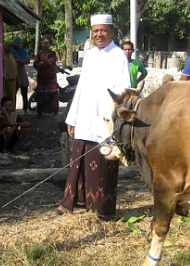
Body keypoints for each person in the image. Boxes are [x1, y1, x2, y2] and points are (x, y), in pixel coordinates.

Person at [54, 14, 130, 220]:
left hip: (105, 119)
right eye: (95, 31)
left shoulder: (118, 55)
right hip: (85, 117)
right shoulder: (89, 55)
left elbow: (123, 91)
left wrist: (114, 120)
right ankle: (73, 203)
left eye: (103, 30)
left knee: (103, 161)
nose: (99, 34)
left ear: (112, 31)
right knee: (79, 161)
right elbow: (81, 89)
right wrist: (72, 118)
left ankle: (101, 209)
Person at [33, 36, 60, 116]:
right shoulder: (39, 54)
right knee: (41, 93)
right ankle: (40, 111)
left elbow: (51, 61)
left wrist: (42, 63)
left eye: (47, 43)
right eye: (44, 43)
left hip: (51, 77)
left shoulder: (53, 53)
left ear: (49, 44)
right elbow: (35, 64)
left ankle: (54, 110)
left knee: (53, 93)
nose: (45, 44)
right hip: (41, 77)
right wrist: (41, 64)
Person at [12, 36, 31, 115]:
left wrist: (19, 60)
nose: (19, 44)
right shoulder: (12, 50)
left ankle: (25, 110)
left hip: (22, 73)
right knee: (13, 92)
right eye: (17, 43)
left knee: (24, 92)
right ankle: (13, 110)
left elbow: (28, 60)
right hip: (14, 72)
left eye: (20, 43)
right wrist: (21, 61)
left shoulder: (24, 51)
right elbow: (13, 61)